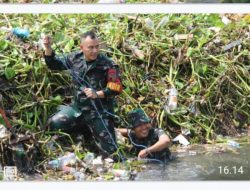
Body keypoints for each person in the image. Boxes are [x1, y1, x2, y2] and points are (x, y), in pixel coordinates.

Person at [42, 31, 123, 159]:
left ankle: (93, 134)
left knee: (112, 154)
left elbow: (116, 87)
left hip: (99, 113)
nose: (95, 50)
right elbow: (54, 64)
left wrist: (98, 94)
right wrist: (48, 48)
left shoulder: (108, 64)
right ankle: (83, 133)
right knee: (53, 124)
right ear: (82, 47)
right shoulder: (74, 58)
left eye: (97, 46)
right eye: (90, 47)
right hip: (78, 110)